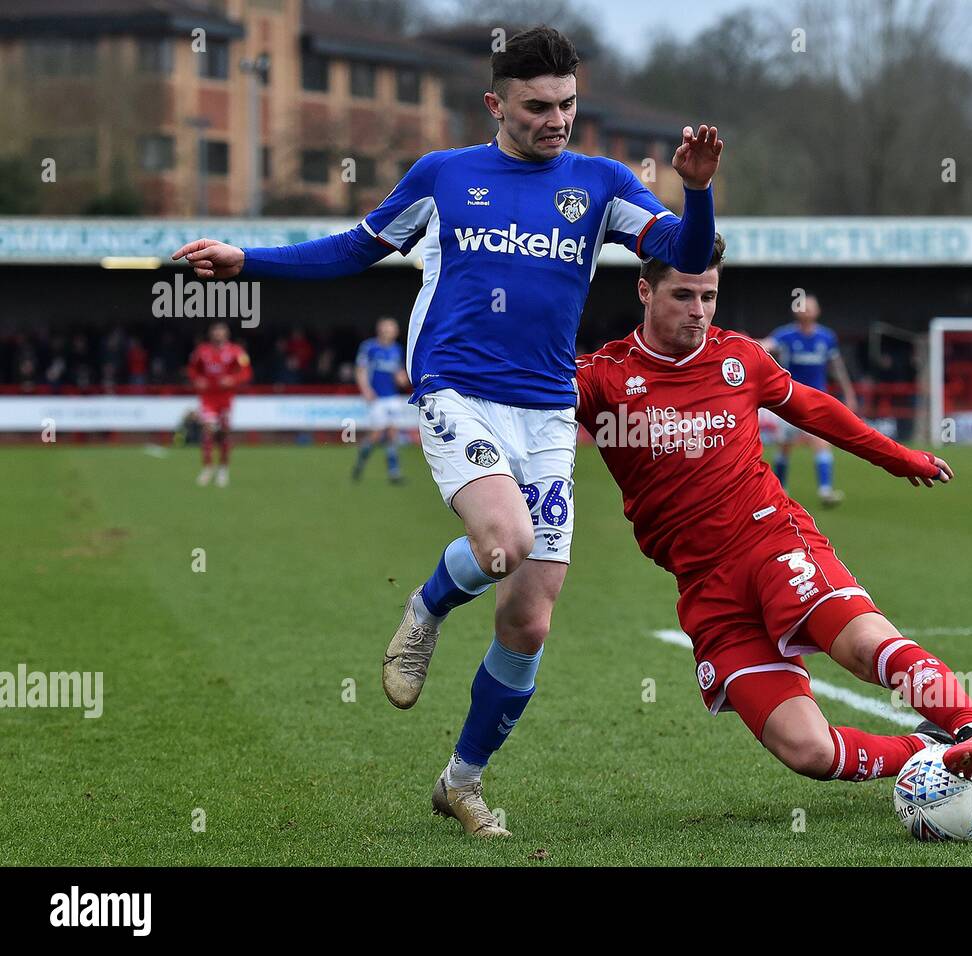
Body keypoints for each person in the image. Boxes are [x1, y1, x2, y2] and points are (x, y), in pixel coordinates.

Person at [171, 26, 722, 837]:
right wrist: (247, 260)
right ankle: (426, 610)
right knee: (506, 538)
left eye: (569, 104)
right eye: (538, 107)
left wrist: (697, 190)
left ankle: (460, 782)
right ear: (496, 104)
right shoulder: (446, 177)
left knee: (529, 616)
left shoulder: (600, 183)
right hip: (456, 390)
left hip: (545, 410)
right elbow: (353, 251)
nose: (557, 120)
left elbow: (687, 252)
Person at [574, 236, 972, 796]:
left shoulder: (738, 357)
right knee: (807, 750)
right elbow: (522, 400)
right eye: (683, 296)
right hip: (705, 585)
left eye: (709, 297)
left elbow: (817, 409)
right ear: (644, 290)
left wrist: (898, 457)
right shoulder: (602, 377)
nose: (698, 311)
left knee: (863, 648)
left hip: (771, 540)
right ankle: (930, 752)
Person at [761, 296, 857, 506]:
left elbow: (837, 367)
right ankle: (781, 490)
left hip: (816, 400)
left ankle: (825, 491)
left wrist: (848, 392)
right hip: (788, 400)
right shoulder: (785, 335)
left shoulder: (826, 337)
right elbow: (765, 346)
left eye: (811, 306)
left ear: (817, 311)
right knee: (784, 447)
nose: (806, 310)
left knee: (821, 443)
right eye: (803, 306)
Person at [187, 322, 251, 487]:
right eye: (215, 331)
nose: (218, 334)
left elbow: (246, 372)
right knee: (208, 430)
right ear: (211, 334)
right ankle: (207, 468)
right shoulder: (202, 351)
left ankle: (223, 469)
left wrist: (233, 379)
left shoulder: (236, 351)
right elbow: (192, 369)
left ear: (226, 334)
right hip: (208, 397)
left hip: (225, 398)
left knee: (223, 435)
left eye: (221, 332)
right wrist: (197, 379)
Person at [352, 317, 409, 484]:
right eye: (387, 328)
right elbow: (361, 370)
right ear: (380, 329)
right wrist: (366, 390)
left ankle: (394, 472)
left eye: (392, 328)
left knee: (392, 434)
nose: (390, 331)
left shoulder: (397, 349)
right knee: (376, 435)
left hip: (392, 397)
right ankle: (361, 461)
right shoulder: (369, 347)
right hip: (377, 398)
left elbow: (398, 372)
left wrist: (402, 378)